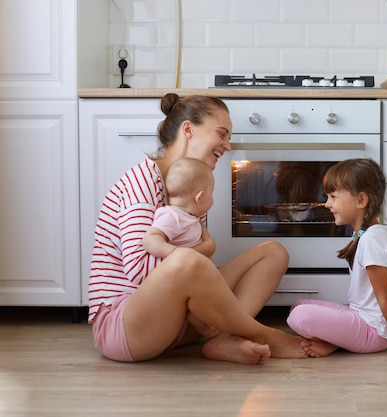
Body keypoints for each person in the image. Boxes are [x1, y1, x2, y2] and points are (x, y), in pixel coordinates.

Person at [88, 93, 308, 364]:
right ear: (188, 129)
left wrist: (199, 263)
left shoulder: (194, 187)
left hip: (175, 322)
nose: (227, 146)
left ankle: (224, 339)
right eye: (222, 134)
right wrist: (203, 249)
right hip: (126, 329)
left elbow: (195, 271)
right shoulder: (143, 181)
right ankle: (263, 334)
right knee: (186, 261)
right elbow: (140, 272)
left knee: (272, 253)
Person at [286, 158, 387, 361]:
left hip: (374, 331)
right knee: (298, 306)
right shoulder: (365, 234)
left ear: (361, 201)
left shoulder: (372, 240)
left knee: (300, 316)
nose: (327, 204)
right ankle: (335, 340)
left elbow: (386, 298)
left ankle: (336, 341)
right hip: (364, 320)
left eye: (333, 196)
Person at [142, 157, 214, 258]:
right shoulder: (173, 216)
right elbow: (149, 239)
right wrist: (176, 255)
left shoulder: (190, 217)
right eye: (211, 193)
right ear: (200, 197)